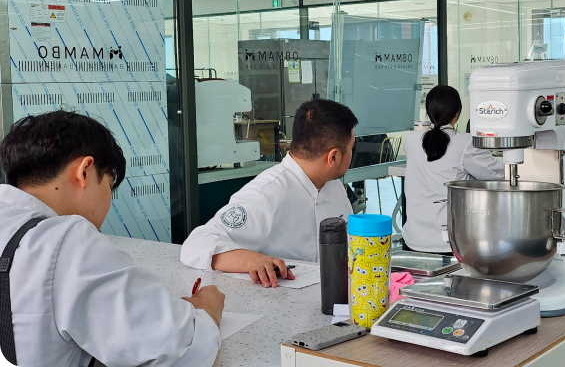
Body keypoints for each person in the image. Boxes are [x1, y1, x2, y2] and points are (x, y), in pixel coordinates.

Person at [0, 111, 224, 367]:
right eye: (108, 186)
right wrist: (205, 311)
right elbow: (176, 347)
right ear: (84, 171)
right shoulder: (66, 241)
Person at [181, 99, 356, 287]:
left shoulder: (333, 186)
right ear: (333, 157)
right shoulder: (266, 193)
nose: (352, 154)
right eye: (351, 148)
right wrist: (253, 261)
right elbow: (197, 244)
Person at [402, 85, 505, 253]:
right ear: (457, 113)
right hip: (449, 244)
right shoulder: (465, 142)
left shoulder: (411, 140)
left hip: (413, 240)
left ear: (428, 112)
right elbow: (499, 175)